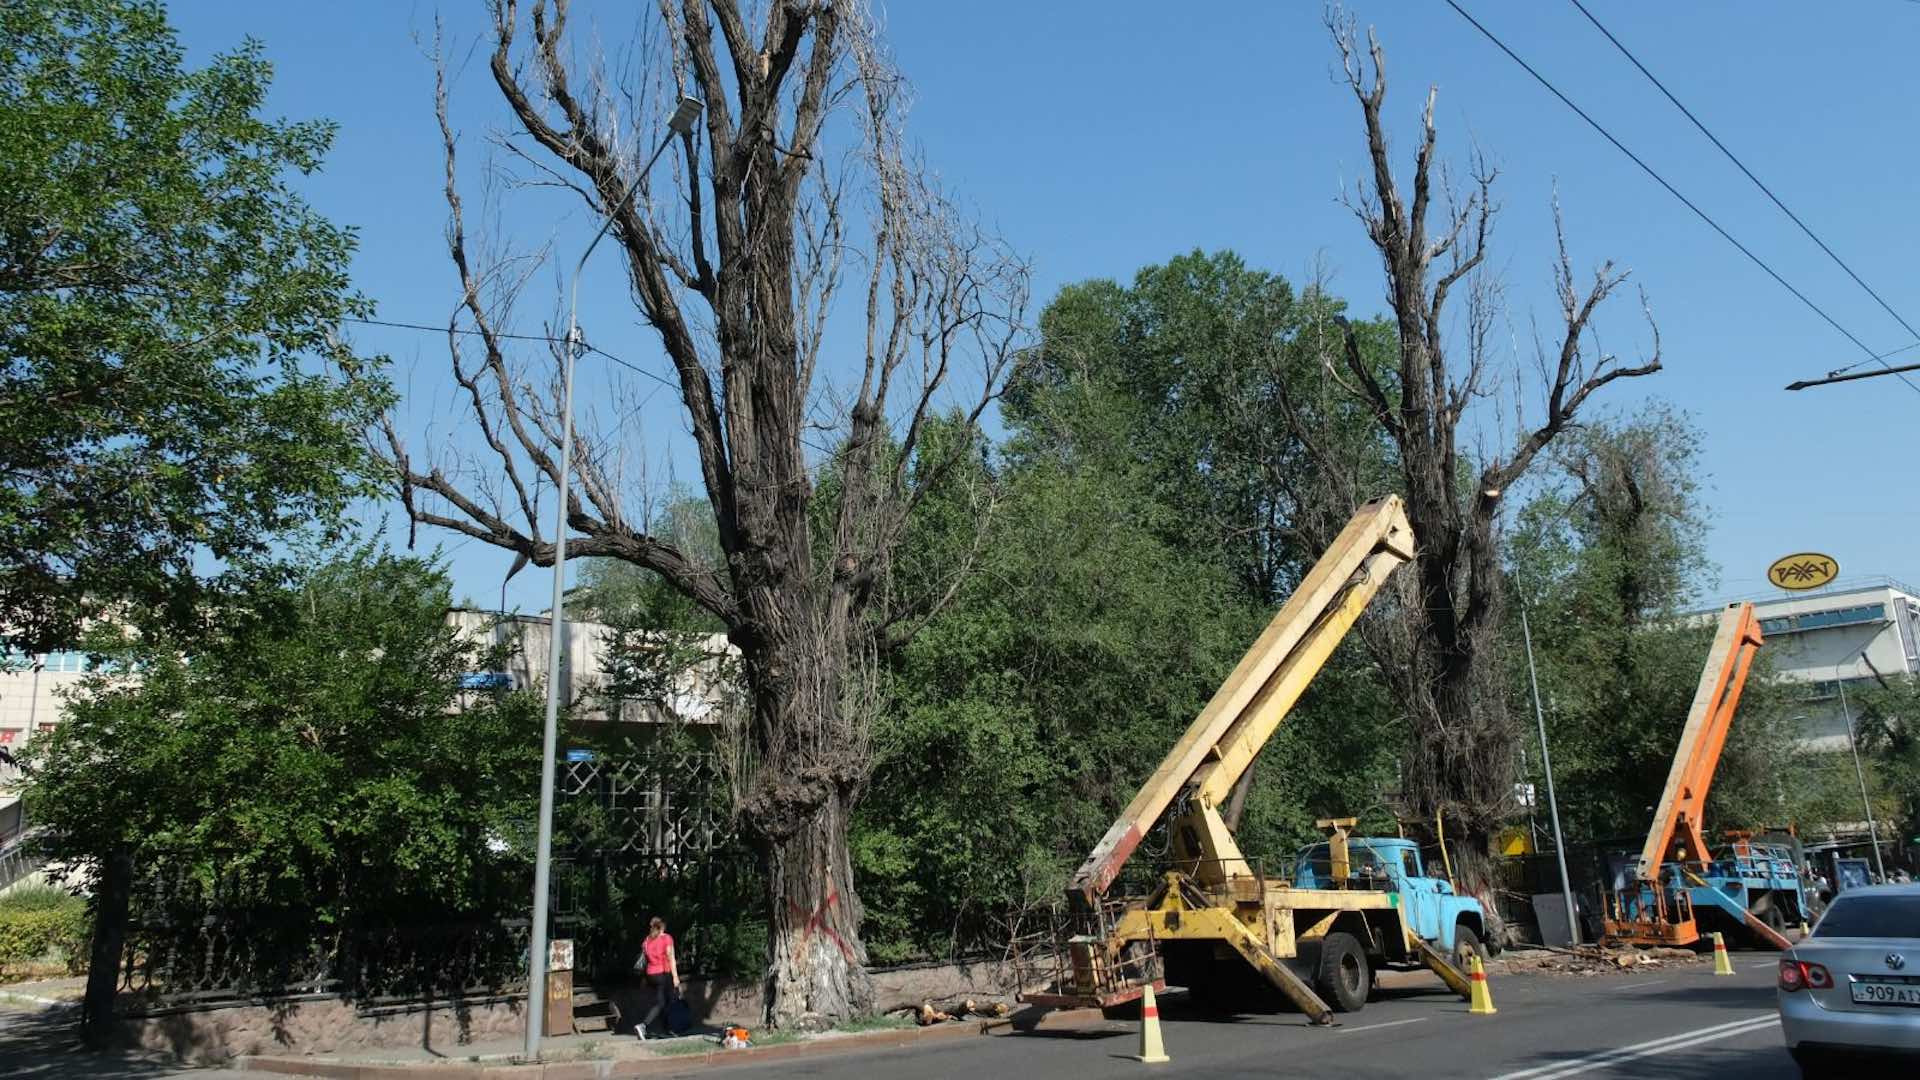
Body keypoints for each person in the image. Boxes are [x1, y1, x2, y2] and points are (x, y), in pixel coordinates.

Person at [635, 916, 681, 1040]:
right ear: (662, 927)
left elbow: (644, 960)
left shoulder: (647, 940)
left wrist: (644, 979)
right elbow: (671, 958)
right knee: (662, 1003)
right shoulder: (667, 938)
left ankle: (667, 1030)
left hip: (651, 975)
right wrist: (675, 977)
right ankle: (643, 1026)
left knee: (665, 1002)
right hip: (663, 974)